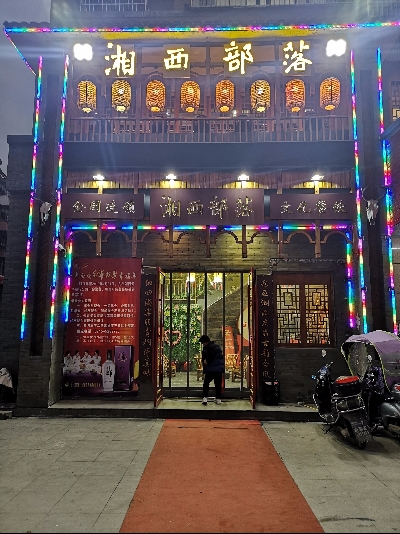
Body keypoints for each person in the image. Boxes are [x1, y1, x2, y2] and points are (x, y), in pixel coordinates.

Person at [199, 334, 224, 405]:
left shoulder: (208, 348)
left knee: (206, 383)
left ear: (205, 342)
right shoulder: (217, 347)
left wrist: (206, 361)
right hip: (219, 369)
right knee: (217, 384)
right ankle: (218, 399)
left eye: (202, 343)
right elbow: (220, 357)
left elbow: (211, 355)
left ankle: (205, 398)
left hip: (211, 369)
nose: (202, 344)